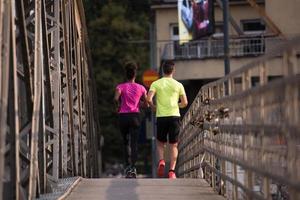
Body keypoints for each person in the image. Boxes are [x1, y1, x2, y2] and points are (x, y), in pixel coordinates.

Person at [147, 60, 188, 179]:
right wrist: (176, 105)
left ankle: (161, 161)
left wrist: (154, 107)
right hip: (175, 116)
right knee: (174, 145)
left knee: (160, 143)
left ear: (162, 70)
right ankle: (171, 171)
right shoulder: (178, 85)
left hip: (161, 117)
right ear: (173, 70)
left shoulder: (156, 83)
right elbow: (185, 103)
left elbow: (149, 99)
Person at [114, 62, 147, 178]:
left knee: (125, 142)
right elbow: (146, 104)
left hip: (123, 117)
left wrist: (118, 106)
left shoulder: (120, 87)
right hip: (135, 117)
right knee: (134, 143)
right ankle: (133, 167)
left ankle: (127, 167)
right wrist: (139, 103)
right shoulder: (141, 88)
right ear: (135, 75)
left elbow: (116, 98)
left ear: (126, 74)